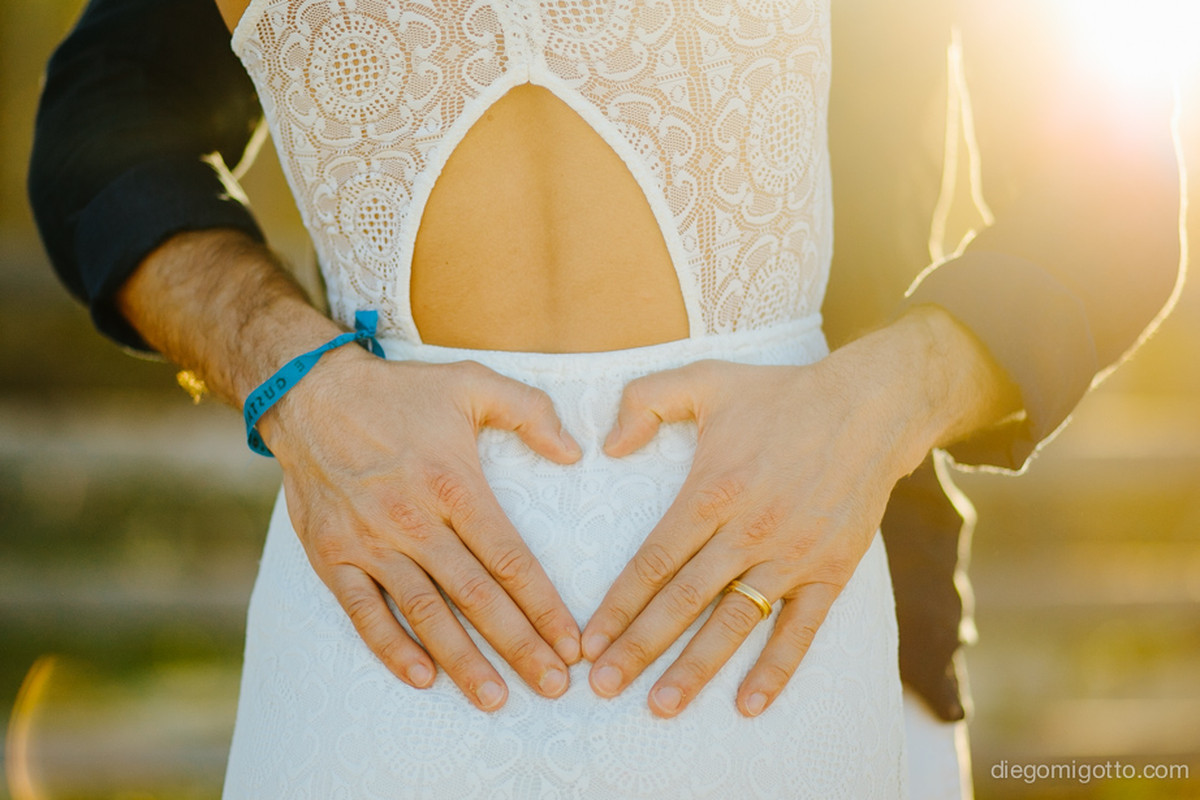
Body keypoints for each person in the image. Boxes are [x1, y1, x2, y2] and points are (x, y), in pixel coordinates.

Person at [28, 0, 1182, 797]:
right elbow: (102, 126)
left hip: (810, 594)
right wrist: (290, 368)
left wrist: (884, 394)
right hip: (391, 602)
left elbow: (1114, 192)